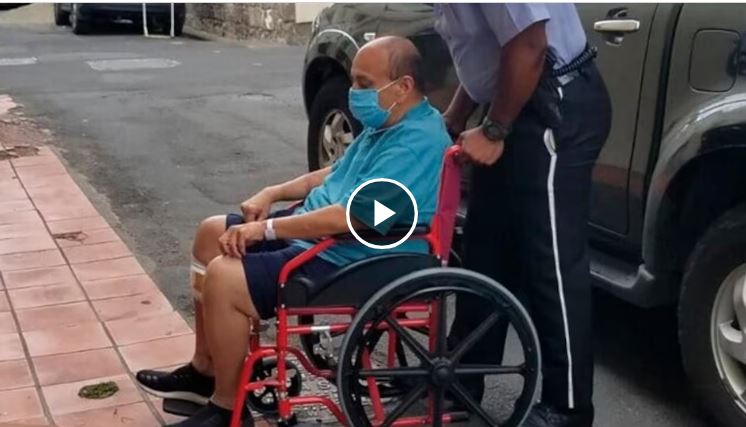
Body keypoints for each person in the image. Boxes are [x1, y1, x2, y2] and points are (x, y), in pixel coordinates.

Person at [134, 36, 452, 427]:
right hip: (322, 239)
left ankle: (228, 408)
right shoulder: (387, 123)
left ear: (402, 86)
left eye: (364, 84)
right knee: (209, 234)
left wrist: (266, 229)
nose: (354, 93)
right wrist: (273, 192)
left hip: (353, 256)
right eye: (354, 81)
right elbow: (334, 173)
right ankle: (205, 370)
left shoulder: (416, 144)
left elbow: (358, 218)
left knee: (225, 278)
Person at [434, 4, 611, 427]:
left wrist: (495, 129)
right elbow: (486, 52)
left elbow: (529, 43)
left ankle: (567, 408)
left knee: (552, 263)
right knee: (485, 247)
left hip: (554, 102)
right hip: (514, 98)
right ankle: (463, 380)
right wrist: (458, 114)